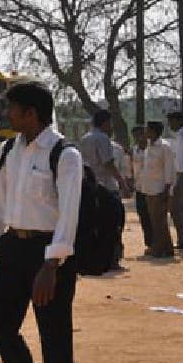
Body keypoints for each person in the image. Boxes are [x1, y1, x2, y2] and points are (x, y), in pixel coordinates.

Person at [0, 81, 83, 363]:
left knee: (54, 342)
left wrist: (52, 264)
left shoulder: (65, 155)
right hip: (12, 249)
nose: (7, 114)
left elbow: (68, 214)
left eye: (12, 108)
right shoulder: (10, 150)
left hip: (48, 256)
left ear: (31, 112)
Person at [79, 110, 127, 270]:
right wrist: (122, 182)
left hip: (89, 187)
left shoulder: (84, 139)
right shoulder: (103, 138)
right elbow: (108, 163)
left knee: (95, 224)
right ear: (105, 122)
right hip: (106, 186)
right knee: (113, 224)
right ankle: (112, 258)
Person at [137, 121, 177, 258]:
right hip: (149, 188)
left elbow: (169, 168)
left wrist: (167, 188)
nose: (145, 133)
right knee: (155, 220)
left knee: (159, 220)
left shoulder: (165, 147)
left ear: (154, 131)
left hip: (160, 188)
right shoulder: (149, 147)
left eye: (147, 130)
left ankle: (160, 249)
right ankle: (165, 247)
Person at [168, 111, 183, 250]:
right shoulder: (178, 136)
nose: (170, 125)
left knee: (175, 207)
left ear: (178, 121)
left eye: (171, 121)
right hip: (181, 173)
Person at [131, 126, 152, 250]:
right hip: (139, 187)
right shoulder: (134, 150)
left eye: (141, 134)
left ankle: (158, 243)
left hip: (152, 188)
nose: (139, 138)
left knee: (153, 216)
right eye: (135, 135)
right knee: (143, 215)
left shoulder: (153, 148)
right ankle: (149, 243)